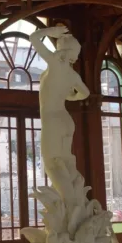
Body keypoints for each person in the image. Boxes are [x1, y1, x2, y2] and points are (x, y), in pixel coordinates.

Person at [28, 26, 91, 171]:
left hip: (52, 120)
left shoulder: (54, 63)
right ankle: (75, 185)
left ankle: (69, 186)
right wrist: (71, 97)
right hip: (66, 120)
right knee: (67, 162)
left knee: (52, 165)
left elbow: (33, 38)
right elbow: (85, 93)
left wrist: (51, 32)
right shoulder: (73, 76)